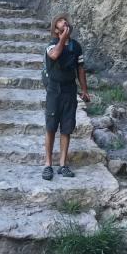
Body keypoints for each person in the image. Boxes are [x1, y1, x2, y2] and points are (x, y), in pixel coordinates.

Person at [42, 14, 90, 180]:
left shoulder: (76, 47)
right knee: (51, 127)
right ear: (56, 29)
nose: (65, 22)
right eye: (60, 21)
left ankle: (63, 164)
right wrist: (62, 39)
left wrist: (84, 89)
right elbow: (54, 55)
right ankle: (48, 164)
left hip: (70, 90)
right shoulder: (52, 45)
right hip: (54, 90)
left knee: (67, 128)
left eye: (65, 20)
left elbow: (81, 69)